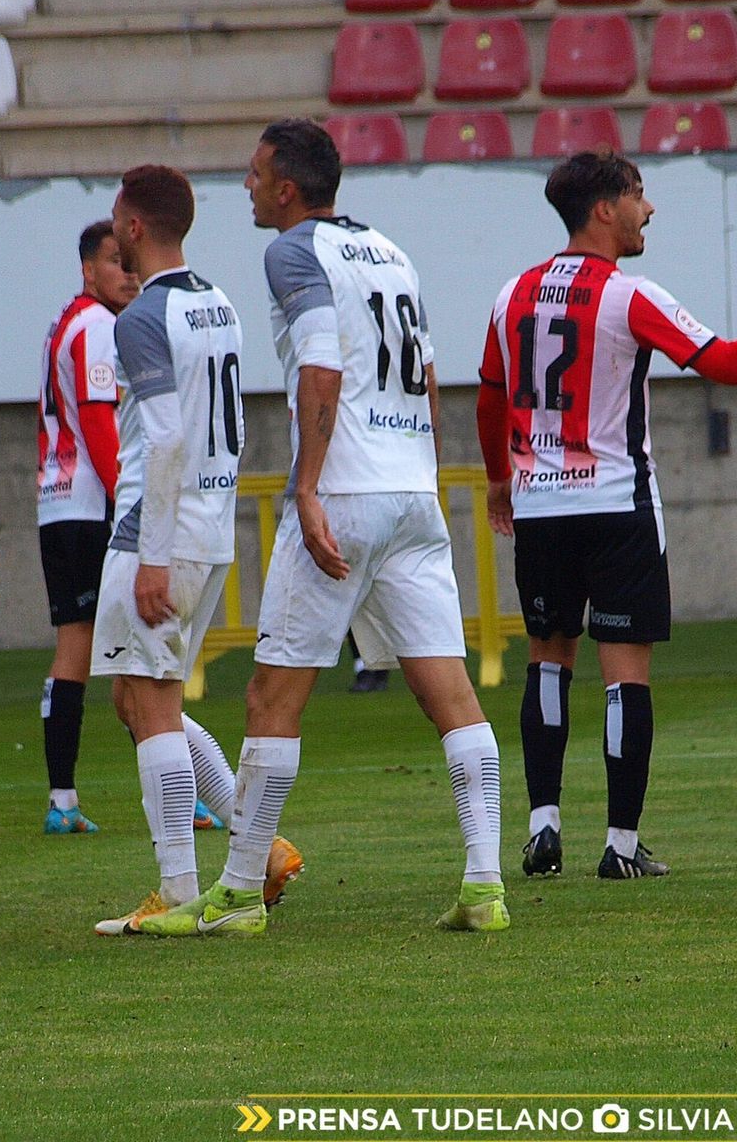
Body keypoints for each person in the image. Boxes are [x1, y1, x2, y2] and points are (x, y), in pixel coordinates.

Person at [140, 118, 508, 937]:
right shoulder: (392, 251)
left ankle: (237, 894)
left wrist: (306, 487)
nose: (245, 185)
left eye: (254, 171)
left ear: (287, 188)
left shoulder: (293, 252)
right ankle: (486, 885)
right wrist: (422, 468)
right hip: (412, 490)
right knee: (450, 693)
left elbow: (321, 364)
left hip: (346, 491)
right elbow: (428, 374)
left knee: (274, 694)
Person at [477, 150, 737, 880]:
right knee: (625, 676)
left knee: (548, 661)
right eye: (639, 195)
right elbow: (726, 364)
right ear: (605, 209)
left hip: (541, 507)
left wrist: (501, 478)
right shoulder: (630, 295)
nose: (648, 210)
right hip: (617, 504)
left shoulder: (512, 293)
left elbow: (492, 393)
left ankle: (542, 829)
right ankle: (621, 846)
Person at [89, 165, 301, 937]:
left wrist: (150, 552)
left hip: (158, 529)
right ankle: (262, 845)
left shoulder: (141, 318)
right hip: (209, 527)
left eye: (117, 216)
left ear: (135, 228)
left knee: (150, 704)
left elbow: (168, 437)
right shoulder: (218, 302)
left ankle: (178, 885)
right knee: (140, 697)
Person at [35, 219, 137, 833]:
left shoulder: (65, 323)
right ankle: (179, 788)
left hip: (58, 503)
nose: (127, 272)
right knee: (137, 647)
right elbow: (101, 422)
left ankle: (63, 800)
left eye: (130, 261)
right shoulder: (100, 328)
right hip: (95, 506)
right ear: (87, 269)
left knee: (77, 648)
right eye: (113, 261)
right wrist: (129, 494)